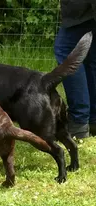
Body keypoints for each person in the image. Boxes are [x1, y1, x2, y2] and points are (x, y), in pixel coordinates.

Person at [54, 0, 96, 138]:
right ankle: (92, 119)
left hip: (83, 9)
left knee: (66, 50)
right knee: (90, 57)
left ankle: (79, 120)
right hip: (89, 11)